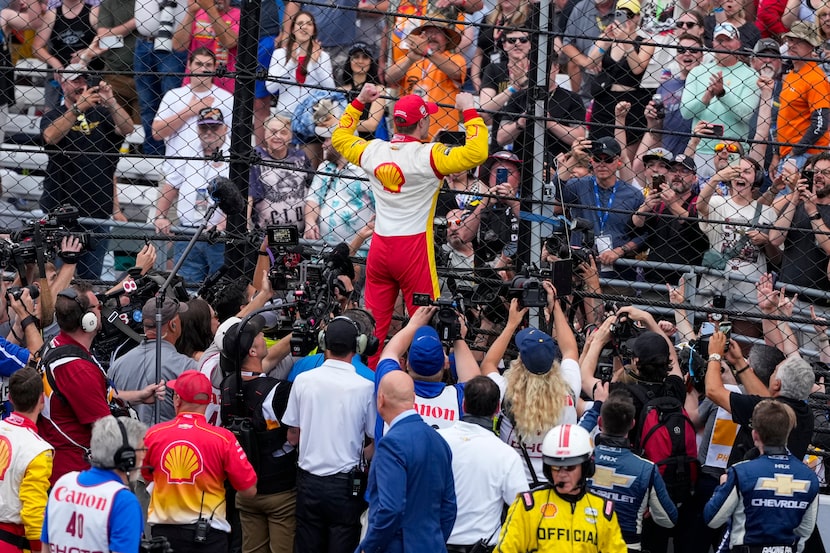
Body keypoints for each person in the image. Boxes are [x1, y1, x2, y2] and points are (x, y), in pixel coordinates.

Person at [331, 84, 488, 366]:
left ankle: (369, 380)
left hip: (379, 247)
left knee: (373, 326)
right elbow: (477, 153)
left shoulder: (373, 150)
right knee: (423, 322)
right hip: (413, 249)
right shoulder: (429, 155)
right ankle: (422, 384)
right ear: (424, 122)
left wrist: (359, 102)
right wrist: (469, 111)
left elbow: (340, 137)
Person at [38, 283, 164, 485]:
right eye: (98, 307)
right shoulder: (78, 369)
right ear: (86, 320)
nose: (102, 311)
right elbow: (108, 430)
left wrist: (137, 396)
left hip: (68, 469)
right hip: (75, 475)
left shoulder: (60, 345)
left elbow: (95, 396)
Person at [282, 316, 375, 553]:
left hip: (308, 482)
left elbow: (293, 435)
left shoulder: (303, 381)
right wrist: (358, 457)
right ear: (359, 345)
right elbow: (375, 438)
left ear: (324, 342)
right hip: (345, 486)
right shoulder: (365, 387)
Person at [142, 370, 257, 553]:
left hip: (164, 534)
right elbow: (249, 489)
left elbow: (147, 477)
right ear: (209, 400)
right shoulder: (223, 438)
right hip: (208, 536)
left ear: (177, 399)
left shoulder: (153, 434)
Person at [39, 65, 135, 281]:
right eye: (75, 81)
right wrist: (77, 110)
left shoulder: (103, 114)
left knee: (89, 280)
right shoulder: (54, 114)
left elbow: (127, 128)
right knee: (54, 277)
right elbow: (50, 136)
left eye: (84, 80)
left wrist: (111, 101)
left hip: (97, 211)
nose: (81, 85)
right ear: (62, 83)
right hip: (59, 209)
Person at [480, 287, 581, 485]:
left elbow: (488, 364)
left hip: (515, 486)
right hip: (556, 484)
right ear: (553, 362)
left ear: (520, 361)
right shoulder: (568, 388)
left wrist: (511, 325)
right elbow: (570, 350)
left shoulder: (507, 392)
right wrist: (556, 307)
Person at [218, 316, 297, 553]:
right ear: (252, 350)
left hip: (245, 488)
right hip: (279, 491)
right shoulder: (279, 391)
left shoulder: (228, 384)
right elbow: (293, 436)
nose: (264, 337)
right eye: (259, 335)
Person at [358, 370, 457, 553]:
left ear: (380, 400)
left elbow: (390, 509)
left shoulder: (391, 444)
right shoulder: (439, 441)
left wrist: (369, 547)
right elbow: (449, 507)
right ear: (413, 398)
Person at [704, 400, 819, 551]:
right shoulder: (809, 477)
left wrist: (723, 487)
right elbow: (805, 531)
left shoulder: (740, 472)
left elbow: (712, 518)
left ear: (755, 435)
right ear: (788, 433)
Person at [493, 424, 627, 553]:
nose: (562, 474)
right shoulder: (528, 505)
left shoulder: (603, 510)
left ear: (586, 467)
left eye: (570, 467)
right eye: (555, 467)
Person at [438, 376, 526, 552]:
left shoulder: (436, 440)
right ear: (497, 409)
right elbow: (521, 508)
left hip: (435, 542)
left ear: (463, 404)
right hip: (482, 546)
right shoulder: (506, 455)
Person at [152, 47, 234, 236]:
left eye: (208, 65)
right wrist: (191, 110)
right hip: (174, 172)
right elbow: (156, 132)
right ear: (189, 66)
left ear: (215, 68)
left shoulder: (226, 99)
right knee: (167, 236)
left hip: (215, 170)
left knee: (212, 235)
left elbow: (230, 137)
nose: (203, 69)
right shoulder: (174, 95)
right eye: (198, 64)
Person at [705, 332, 816, 463]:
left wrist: (714, 355)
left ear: (777, 384)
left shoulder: (764, 410)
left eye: (775, 372)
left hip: (749, 478)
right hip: (782, 479)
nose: (772, 374)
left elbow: (713, 390)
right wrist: (739, 362)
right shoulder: (806, 414)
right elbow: (767, 399)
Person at [587, 390, 678, 551]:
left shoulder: (581, 460)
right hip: (626, 545)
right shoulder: (647, 468)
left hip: (586, 543)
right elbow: (669, 519)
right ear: (632, 424)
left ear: (600, 422)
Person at [42, 416, 147, 553]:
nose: (144, 455)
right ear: (127, 457)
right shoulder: (123, 502)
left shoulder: (63, 484)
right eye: (142, 449)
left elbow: (45, 548)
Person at [374, 305, 481, 435]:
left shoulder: (391, 386)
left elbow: (389, 353)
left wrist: (413, 325)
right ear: (446, 363)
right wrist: (457, 336)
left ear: (407, 363)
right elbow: (474, 380)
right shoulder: (458, 397)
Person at [155, 106, 230, 283]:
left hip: (219, 235)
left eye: (214, 127)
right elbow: (172, 184)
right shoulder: (189, 149)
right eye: (204, 128)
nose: (209, 132)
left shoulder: (234, 153)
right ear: (197, 129)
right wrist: (160, 215)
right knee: (186, 284)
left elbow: (243, 196)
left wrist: (222, 225)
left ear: (225, 128)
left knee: (220, 286)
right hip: (187, 230)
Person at [680, 22, 760, 178]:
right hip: (701, 149)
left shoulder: (750, 75)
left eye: (728, 40)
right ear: (713, 43)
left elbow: (746, 115)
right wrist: (706, 98)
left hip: (733, 152)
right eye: (719, 40)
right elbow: (685, 112)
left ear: (738, 43)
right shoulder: (698, 71)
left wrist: (722, 94)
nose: (723, 44)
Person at [559, 137, 645, 277]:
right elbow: (555, 190)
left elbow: (645, 235)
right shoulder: (579, 185)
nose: (602, 164)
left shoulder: (633, 194)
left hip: (618, 273)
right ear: (591, 161)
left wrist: (620, 250)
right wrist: (574, 158)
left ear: (618, 162)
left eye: (608, 159)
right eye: (598, 159)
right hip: (580, 270)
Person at [108, 297, 196, 425]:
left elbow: (108, 399)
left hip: (127, 441)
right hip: (167, 443)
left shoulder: (117, 364)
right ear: (173, 324)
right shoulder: (186, 366)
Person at [303, 100, 375, 248]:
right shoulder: (325, 167)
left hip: (359, 251)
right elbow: (313, 200)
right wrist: (310, 222)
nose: (323, 145)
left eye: (328, 140)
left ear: (341, 142)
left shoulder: (366, 171)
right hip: (323, 249)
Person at [585, 0, 655, 150]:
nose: (626, 19)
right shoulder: (607, 37)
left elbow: (637, 68)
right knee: (599, 149)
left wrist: (626, 41)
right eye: (621, 14)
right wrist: (606, 42)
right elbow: (590, 63)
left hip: (631, 102)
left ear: (637, 17)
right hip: (605, 100)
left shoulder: (646, 42)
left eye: (629, 15)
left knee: (626, 152)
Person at [385, 15, 467, 140]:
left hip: (442, 135)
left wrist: (426, 51)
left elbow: (455, 72)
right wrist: (410, 59)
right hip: (408, 136)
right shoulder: (409, 58)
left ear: (446, 39)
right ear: (420, 38)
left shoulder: (455, 59)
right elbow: (389, 77)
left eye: (437, 32)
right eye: (428, 32)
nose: (432, 36)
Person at [632, 153, 708, 284]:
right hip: (653, 279)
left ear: (694, 178)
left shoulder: (699, 203)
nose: (677, 174)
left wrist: (672, 205)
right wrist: (644, 208)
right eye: (673, 170)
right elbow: (636, 229)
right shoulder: (658, 203)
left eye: (684, 171)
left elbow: (700, 236)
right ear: (667, 175)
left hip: (686, 282)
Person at [0, 368, 53, 553]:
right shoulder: (38, 449)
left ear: (11, 398)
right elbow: (34, 511)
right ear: (41, 399)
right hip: (12, 542)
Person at [132, 0, 188, 156]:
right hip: (144, 41)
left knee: (172, 102)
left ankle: (174, 152)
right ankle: (153, 153)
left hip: (175, 43)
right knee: (147, 104)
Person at [770, 154, 830, 300]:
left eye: (826, 173)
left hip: (819, 299)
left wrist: (812, 211)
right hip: (786, 293)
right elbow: (775, 239)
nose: (819, 176)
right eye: (815, 172)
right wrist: (794, 200)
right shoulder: (795, 205)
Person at [248, 114, 312, 233]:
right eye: (273, 132)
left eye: (283, 132)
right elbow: (248, 196)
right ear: (265, 134)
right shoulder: (256, 158)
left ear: (290, 137)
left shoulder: (300, 157)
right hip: (265, 234)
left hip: (299, 234)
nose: (278, 136)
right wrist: (246, 228)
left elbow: (313, 191)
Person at [32, 0, 96, 112]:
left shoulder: (93, 11)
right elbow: (37, 47)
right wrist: (55, 63)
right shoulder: (52, 14)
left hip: (87, 72)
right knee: (52, 113)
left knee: (91, 113)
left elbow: (105, 39)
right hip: (60, 74)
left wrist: (87, 52)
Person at [172, 0, 240, 93]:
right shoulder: (197, 13)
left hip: (224, 83)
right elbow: (178, 46)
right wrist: (191, 12)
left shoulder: (238, 15)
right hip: (195, 82)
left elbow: (229, 42)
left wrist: (210, 9)